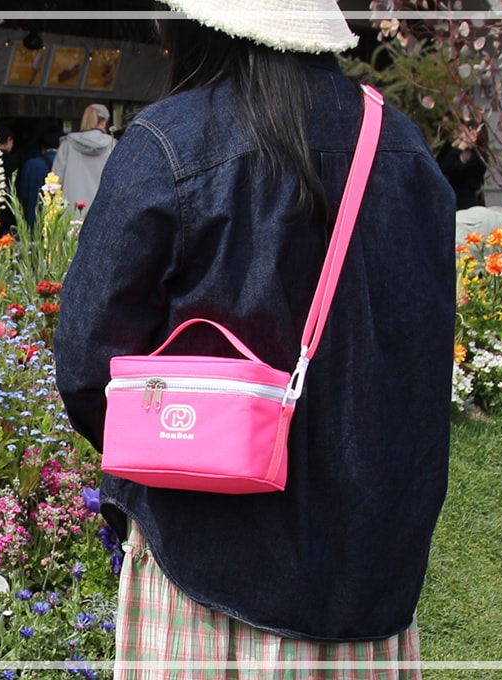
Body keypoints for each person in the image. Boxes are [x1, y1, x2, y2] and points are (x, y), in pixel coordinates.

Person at [53, 0, 455, 677]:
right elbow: (420, 358)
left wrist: (176, 441)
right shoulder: (405, 149)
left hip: (200, 564)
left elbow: (88, 367)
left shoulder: (169, 143)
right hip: (365, 576)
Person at [51, 103, 115, 209]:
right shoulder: (113, 146)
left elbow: (54, 183)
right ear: (104, 122)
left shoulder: (67, 145)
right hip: (101, 211)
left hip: (71, 211)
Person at [436, 124, 488, 210]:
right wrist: (453, 146)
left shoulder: (479, 155)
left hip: (465, 202)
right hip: (448, 201)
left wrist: (460, 148)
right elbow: (439, 166)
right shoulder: (453, 149)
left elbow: (451, 168)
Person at [17, 126, 60, 226]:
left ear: (42, 147)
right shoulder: (67, 164)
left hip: (35, 222)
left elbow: (23, 196)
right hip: (60, 222)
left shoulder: (31, 165)